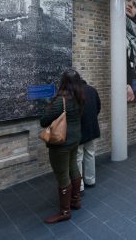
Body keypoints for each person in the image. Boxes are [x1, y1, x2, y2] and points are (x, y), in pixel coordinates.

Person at [39, 69, 85, 223]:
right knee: (73, 168)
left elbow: (44, 121)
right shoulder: (80, 97)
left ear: (63, 82)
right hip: (75, 140)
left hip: (61, 143)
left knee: (62, 174)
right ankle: (76, 200)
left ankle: (65, 211)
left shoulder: (61, 100)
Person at [76, 79, 101, 192]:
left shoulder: (74, 92)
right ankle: (90, 180)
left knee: (78, 157)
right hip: (91, 128)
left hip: (79, 129)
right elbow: (98, 107)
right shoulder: (92, 90)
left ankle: (79, 186)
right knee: (90, 154)